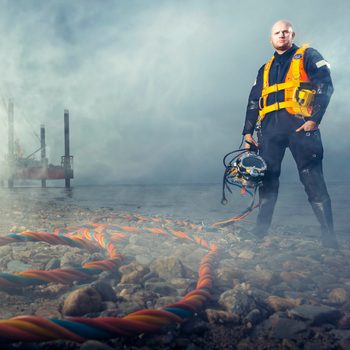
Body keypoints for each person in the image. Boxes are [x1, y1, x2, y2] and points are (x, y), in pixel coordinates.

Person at [242, 20, 338, 248]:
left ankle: (329, 239)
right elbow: (254, 101)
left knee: (312, 178)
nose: (281, 35)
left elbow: (325, 84)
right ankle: (260, 232)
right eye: (277, 32)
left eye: (285, 31)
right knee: (267, 180)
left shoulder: (308, 55)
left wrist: (315, 119)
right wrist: (247, 132)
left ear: (292, 34)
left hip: (301, 127)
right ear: (271, 39)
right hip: (270, 130)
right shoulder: (264, 68)